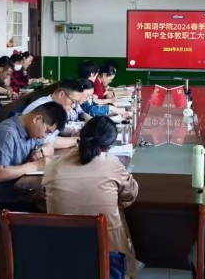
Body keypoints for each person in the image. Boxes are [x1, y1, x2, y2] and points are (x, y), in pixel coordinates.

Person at [43, 116, 139, 278]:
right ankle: (127, 269)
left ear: (81, 134)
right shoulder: (112, 164)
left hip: (61, 250)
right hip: (108, 254)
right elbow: (130, 195)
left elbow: (45, 194)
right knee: (117, 214)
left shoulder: (53, 165)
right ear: (107, 147)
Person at [0, 101, 67, 225]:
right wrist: (35, 165)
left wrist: (40, 150)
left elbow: (49, 146)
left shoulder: (29, 130)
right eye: (47, 131)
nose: (44, 136)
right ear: (37, 119)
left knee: (50, 207)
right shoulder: (7, 133)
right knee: (48, 213)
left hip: (11, 195)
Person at [22, 79, 88, 149]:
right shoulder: (42, 108)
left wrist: (71, 131)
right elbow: (46, 140)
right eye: (73, 101)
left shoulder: (57, 108)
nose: (73, 106)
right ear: (61, 94)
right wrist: (77, 140)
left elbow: (54, 129)